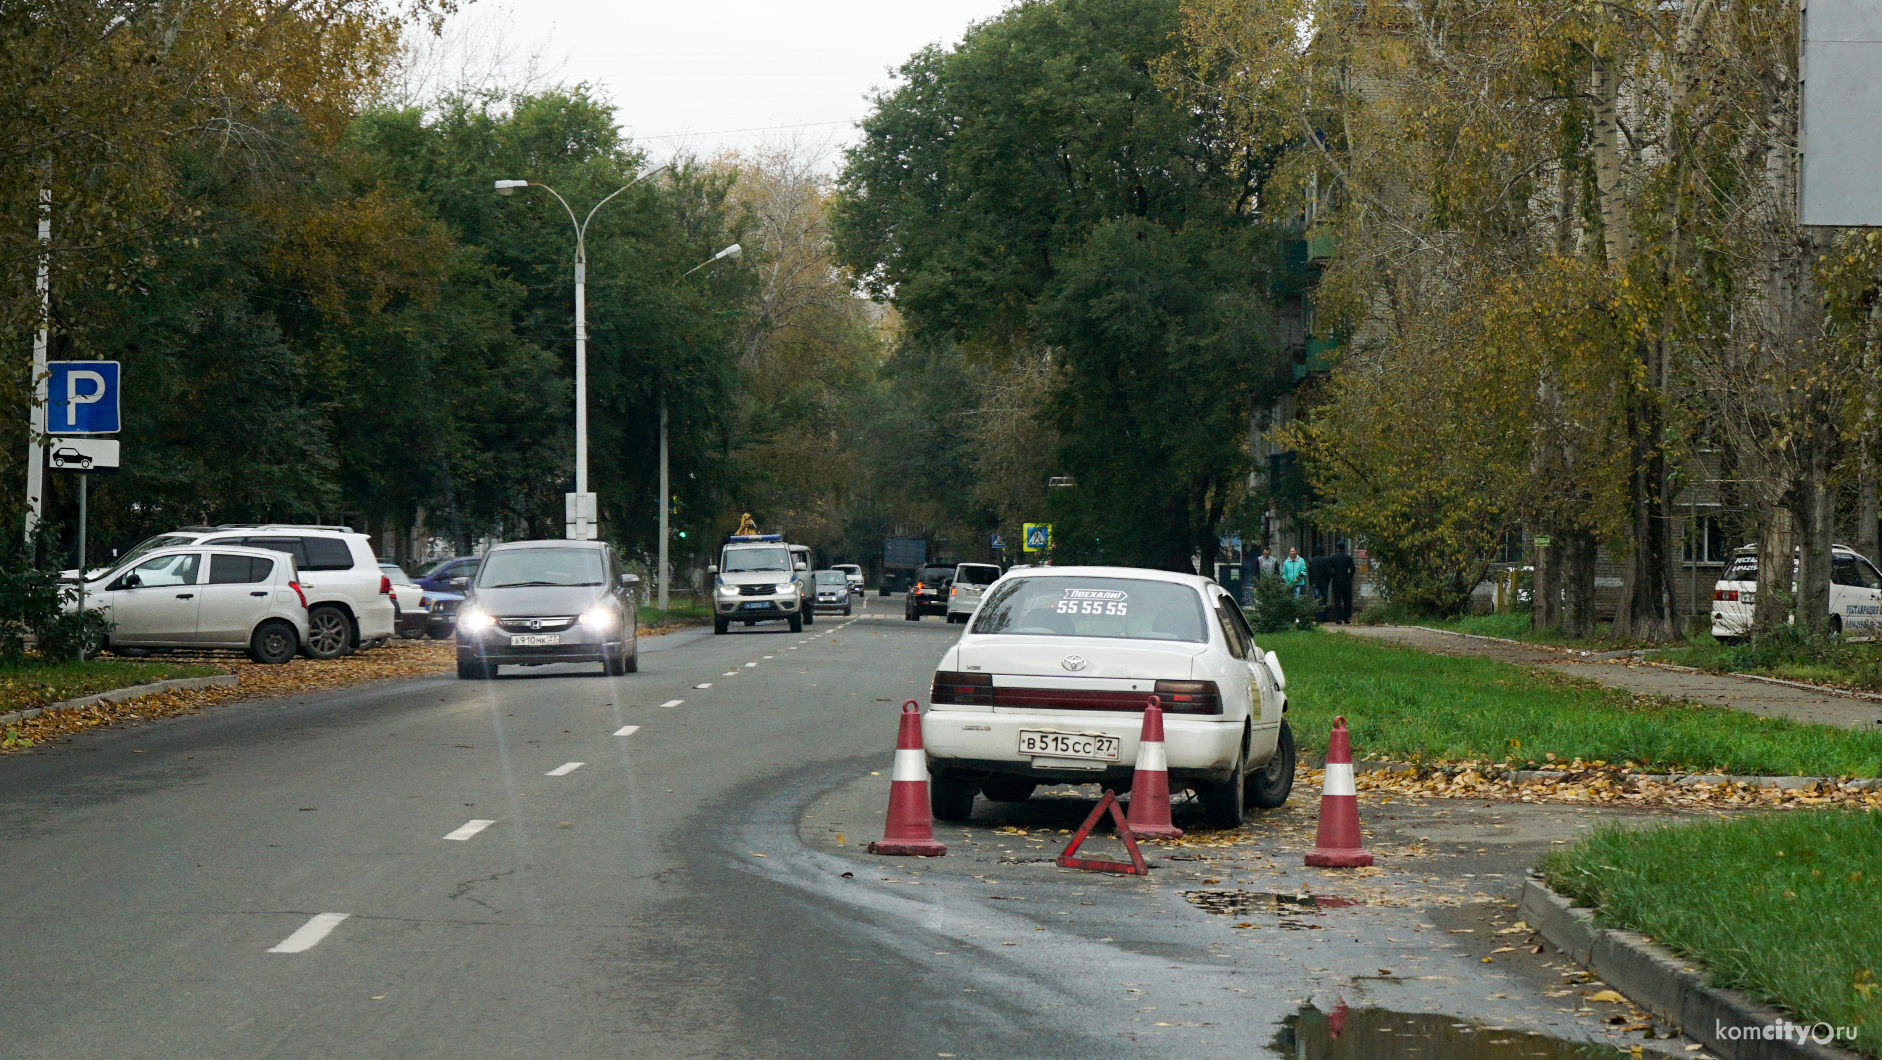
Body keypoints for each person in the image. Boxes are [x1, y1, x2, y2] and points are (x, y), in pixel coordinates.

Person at [1328, 541, 1357, 624]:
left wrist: (1333, 576)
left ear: (1337, 548)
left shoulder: (1332, 558)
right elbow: (1353, 569)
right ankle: (1346, 618)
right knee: (1347, 599)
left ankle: (1338, 618)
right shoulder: (1348, 557)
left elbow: (1329, 569)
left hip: (1336, 580)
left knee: (1337, 599)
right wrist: (1349, 576)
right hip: (1346, 581)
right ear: (1344, 548)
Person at [1307, 546, 1331, 620]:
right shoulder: (1326, 560)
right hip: (1324, 582)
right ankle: (1324, 616)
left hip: (1315, 582)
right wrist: (1328, 580)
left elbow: (1309, 573)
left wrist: (1311, 582)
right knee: (1324, 599)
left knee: (1317, 599)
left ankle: (1318, 617)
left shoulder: (1311, 561)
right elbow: (1328, 572)